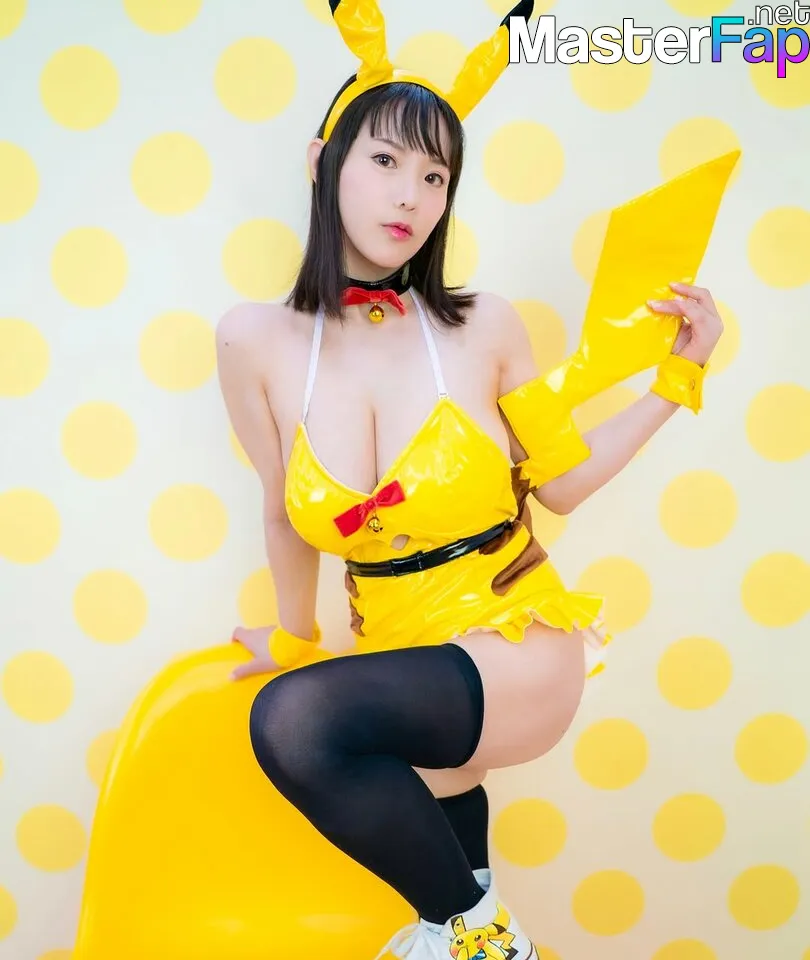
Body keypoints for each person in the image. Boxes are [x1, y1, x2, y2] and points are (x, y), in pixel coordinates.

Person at [215, 1, 725, 956]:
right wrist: (293, 636)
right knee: (414, 806)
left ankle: (489, 940)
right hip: (404, 652)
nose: (410, 195)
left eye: (435, 174)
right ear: (324, 162)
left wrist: (677, 378)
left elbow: (561, 485)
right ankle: (467, 926)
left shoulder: (484, 326)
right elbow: (283, 512)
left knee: (296, 722)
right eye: (385, 160)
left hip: (513, 640)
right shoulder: (255, 341)